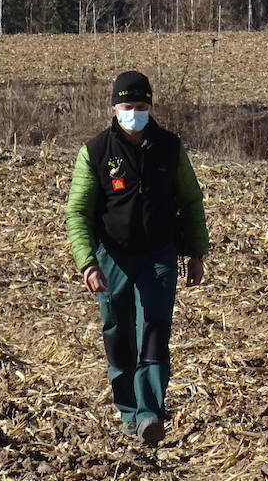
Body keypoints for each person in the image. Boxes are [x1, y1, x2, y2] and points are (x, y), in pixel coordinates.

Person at [65, 70, 209, 446]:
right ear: (115, 108)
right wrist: (87, 262)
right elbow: (78, 212)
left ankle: (150, 414)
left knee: (154, 331)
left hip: (159, 257)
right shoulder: (95, 153)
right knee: (118, 334)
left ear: (151, 108)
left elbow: (192, 201)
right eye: (128, 106)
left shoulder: (170, 148)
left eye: (141, 106)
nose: (135, 113)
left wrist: (196, 253)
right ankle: (127, 409)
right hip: (112, 258)